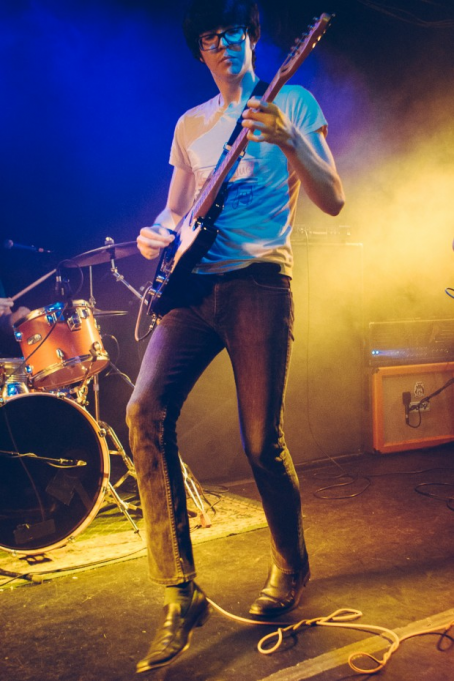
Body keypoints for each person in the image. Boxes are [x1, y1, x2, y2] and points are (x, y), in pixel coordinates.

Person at [126, 0, 345, 673]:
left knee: (260, 440)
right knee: (142, 412)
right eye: (209, 37)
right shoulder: (191, 123)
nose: (221, 44)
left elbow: (333, 197)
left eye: (232, 32)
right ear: (200, 51)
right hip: (192, 291)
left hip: (258, 284)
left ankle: (291, 564)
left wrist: (287, 137)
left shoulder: (295, 100)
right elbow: (176, 203)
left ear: (253, 39)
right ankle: (180, 590)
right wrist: (154, 231)